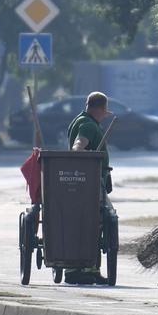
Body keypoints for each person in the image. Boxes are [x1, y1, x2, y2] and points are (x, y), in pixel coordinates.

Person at [66, 92, 117, 285]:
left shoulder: (79, 120)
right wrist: (82, 156)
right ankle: (83, 267)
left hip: (90, 180)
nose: (105, 115)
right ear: (100, 109)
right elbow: (78, 146)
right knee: (102, 219)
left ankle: (89, 268)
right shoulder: (87, 125)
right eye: (104, 112)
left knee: (90, 221)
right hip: (90, 183)